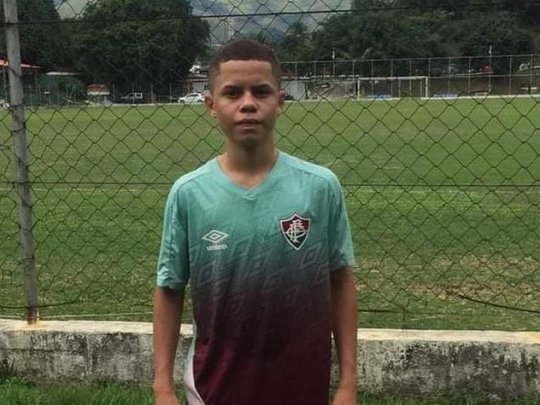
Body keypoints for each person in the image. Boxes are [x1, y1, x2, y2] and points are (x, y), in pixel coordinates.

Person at [153, 39, 358, 405]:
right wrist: (162, 387)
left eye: (260, 92)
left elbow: (340, 281)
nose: (248, 103)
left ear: (280, 100)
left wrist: (348, 384)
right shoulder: (189, 193)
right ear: (211, 105)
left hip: (303, 386)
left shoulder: (319, 187)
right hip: (213, 389)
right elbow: (169, 288)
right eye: (233, 93)